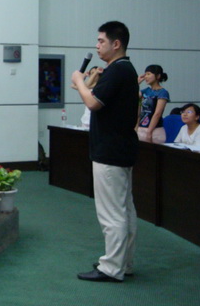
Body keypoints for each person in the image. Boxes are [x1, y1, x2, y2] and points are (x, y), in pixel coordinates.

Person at [71, 21, 139, 283]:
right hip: (120, 148)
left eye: (101, 41)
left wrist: (79, 80)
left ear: (116, 44)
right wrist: (85, 84)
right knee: (124, 210)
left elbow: (93, 103)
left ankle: (111, 267)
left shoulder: (117, 70)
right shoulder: (124, 70)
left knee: (112, 213)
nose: (97, 46)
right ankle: (124, 262)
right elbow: (95, 96)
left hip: (110, 151)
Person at [136, 64, 170, 144]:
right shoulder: (145, 91)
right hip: (141, 128)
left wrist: (149, 132)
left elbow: (157, 114)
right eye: (145, 74)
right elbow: (131, 97)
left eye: (148, 74)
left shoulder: (162, 92)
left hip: (155, 130)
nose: (146, 77)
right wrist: (136, 84)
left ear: (158, 76)